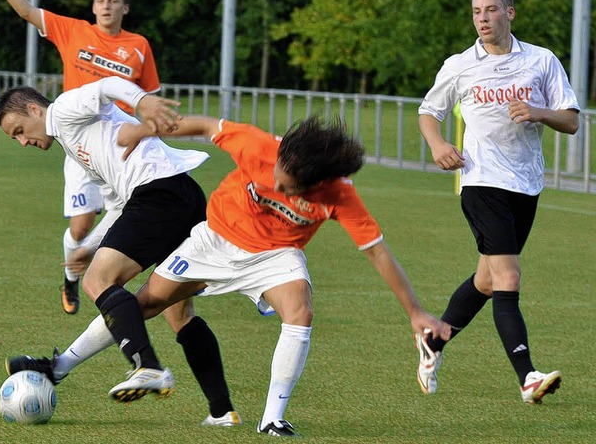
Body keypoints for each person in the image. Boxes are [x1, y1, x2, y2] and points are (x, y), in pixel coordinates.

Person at [109, 114, 452, 437]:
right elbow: (204, 124)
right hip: (217, 238)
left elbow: (378, 252)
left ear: (317, 183)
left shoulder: (339, 195)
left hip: (276, 254)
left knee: (300, 311)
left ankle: (273, 418)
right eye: (278, 175)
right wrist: (143, 130)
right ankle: (61, 366)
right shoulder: (256, 145)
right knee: (144, 304)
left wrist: (415, 312)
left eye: (287, 187)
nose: (275, 184)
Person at [0, 76, 241, 426]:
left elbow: (106, 85)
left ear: (34, 109)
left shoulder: (62, 111)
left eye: (19, 130)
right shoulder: (74, 146)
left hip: (158, 193)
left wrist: (142, 102)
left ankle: (147, 367)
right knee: (175, 312)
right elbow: (117, 206)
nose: (21, 141)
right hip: (181, 194)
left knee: (99, 281)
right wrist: (89, 246)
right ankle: (222, 412)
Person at [416, 0, 580, 405]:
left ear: (510, 13)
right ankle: (528, 378)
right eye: (476, 11)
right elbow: (428, 112)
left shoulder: (541, 60)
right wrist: (437, 145)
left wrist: (538, 112)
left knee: (487, 280)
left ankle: (433, 342)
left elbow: (571, 120)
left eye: (491, 10)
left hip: (525, 184)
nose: (483, 18)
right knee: (508, 277)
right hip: (481, 180)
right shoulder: (460, 65)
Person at [0, 0, 160, 315]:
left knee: (134, 209)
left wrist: (148, 128)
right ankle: (72, 275)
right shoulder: (73, 31)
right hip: (78, 142)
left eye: (113, 1)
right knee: (81, 226)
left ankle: (120, 276)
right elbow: (26, 10)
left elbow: (151, 97)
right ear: (93, 6)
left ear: (125, 8)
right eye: (100, 0)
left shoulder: (139, 45)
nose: (106, 6)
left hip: (119, 146)